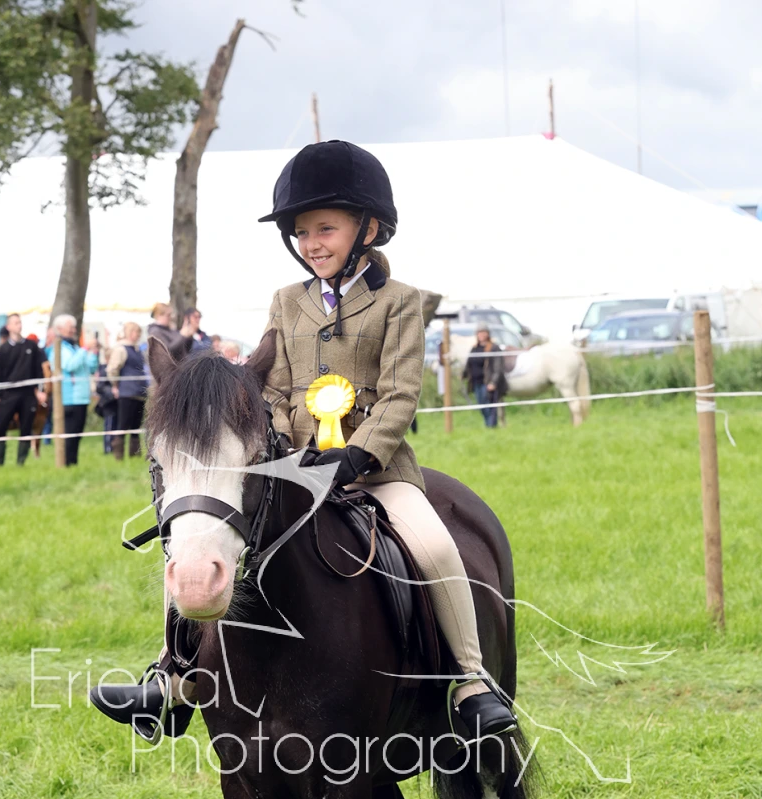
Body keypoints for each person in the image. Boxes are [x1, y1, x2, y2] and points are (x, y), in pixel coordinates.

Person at [92, 140, 516, 742]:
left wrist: (356, 455)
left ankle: (471, 682)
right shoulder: (286, 302)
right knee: (199, 537)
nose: (312, 243)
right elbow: (273, 387)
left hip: (377, 472)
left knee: (436, 549)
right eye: (301, 232)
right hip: (291, 467)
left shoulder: (399, 303)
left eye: (325, 228)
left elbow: (399, 394)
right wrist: (282, 445)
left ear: (368, 228)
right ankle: (173, 676)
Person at [0, 313, 47, 465]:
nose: (19, 325)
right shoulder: (3, 349)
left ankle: (21, 462)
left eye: (20, 322)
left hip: (27, 393)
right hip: (8, 394)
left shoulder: (31, 346)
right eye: (15, 323)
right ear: (9, 326)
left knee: (26, 428)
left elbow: (38, 371)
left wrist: (40, 390)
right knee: (1, 428)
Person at [46, 315, 98, 466]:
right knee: (69, 435)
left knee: (77, 435)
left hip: (81, 398)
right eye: (70, 327)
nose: (73, 330)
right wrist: (85, 349)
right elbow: (70, 365)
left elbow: (90, 368)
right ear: (59, 329)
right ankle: (66, 464)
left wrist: (94, 353)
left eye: (74, 327)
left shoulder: (75, 348)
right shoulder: (58, 349)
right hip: (68, 399)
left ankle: (72, 464)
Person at [107, 322, 149, 458]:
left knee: (136, 426)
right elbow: (113, 369)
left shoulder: (138, 350)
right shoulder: (121, 349)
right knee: (123, 424)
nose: (138, 335)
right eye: (136, 332)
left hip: (139, 393)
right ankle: (118, 455)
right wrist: (115, 385)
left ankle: (134, 455)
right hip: (126, 392)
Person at [464, 325, 507, 429]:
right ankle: (488, 425)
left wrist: (493, 382)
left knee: (489, 405)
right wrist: (463, 375)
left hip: (487, 382)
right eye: (479, 332)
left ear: (488, 334)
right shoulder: (474, 348)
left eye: (484, 332)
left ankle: (491, 427)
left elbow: (498, 368)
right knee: (481, 405)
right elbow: (469, 364)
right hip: (476, 382)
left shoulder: (494, 348)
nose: (481, 335)